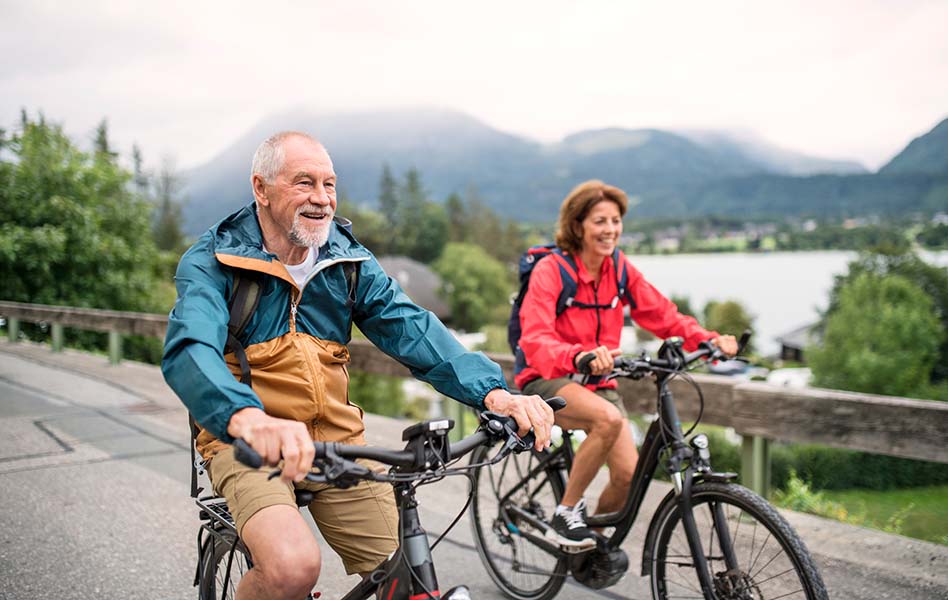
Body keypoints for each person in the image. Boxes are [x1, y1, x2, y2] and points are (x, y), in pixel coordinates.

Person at [162, 131, 554, 600]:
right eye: (304, 183)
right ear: (261, 189)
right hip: (251, 443)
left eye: (329, 185)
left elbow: (411, 327)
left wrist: (495, 393)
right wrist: (244, 418)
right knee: (292, 568)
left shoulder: (346, 260)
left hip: (336, 442)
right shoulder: (214, 260)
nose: (321, 199)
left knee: (406, 573)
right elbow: (190, 347)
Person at [515, 180, 737, 548]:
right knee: (608, 419)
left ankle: (590, 546)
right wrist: (580, 356)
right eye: (600, 221)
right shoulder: (552, 271)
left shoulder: (618, 269)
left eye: (615, 221)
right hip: (548, 379)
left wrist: (708, 339)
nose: (610, 230)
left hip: (600, 385)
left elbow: (663, 315)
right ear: (579, 225)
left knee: (627, 477)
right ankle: (565, 513)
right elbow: (535, 340)